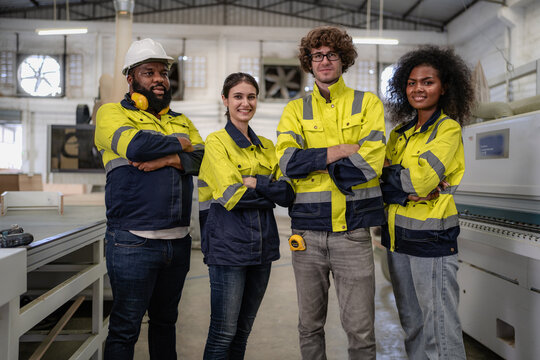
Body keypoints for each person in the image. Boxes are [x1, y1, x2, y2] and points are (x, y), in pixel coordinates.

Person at [275, 26, 386, 359]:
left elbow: (372, 162)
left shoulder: (367, 104)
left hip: (353, 234)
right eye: (317, 55)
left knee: (362, 331)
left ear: (343, 59)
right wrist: (338, 150)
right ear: (309, 62)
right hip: (308, 234)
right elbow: (287, 162)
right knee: (309, 327)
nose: (324, 60)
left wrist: (316, 163)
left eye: (331, 54)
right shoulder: (295, 110)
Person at [94, 38, 204, 360]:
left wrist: (169, 159)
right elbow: (137, 147)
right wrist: (180, 145)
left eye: (163, 72)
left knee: (166, 323)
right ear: (131, 79)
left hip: (178, 241)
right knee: (125, 327)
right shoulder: (110, 113)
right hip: (132, 240)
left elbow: (204, 159)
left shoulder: (181, 119)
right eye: (149, 72)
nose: (159, 79)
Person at [381, 45, 474, 359]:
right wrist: (402, 183)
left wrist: (400, 180)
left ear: (444, 87)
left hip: (432, 240)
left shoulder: (447, 129)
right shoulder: (400, 134)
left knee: (440, 328)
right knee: (413, 325)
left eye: (427, 81)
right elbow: (384, 183)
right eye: (411, 82)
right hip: (396, 241)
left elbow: (420, 181)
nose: (418, 88)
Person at [198, 72, 294, 359]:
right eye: (238, 96)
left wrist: (255, 182)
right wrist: (269, 191)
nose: (245, 103)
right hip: (228, 250)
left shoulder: (267, 146)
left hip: (262, 249)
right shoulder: (216, 142)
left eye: (251, 96)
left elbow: (288, 194)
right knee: (223, 333)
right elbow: (232, 197)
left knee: (242, 333)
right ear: (225, 100)